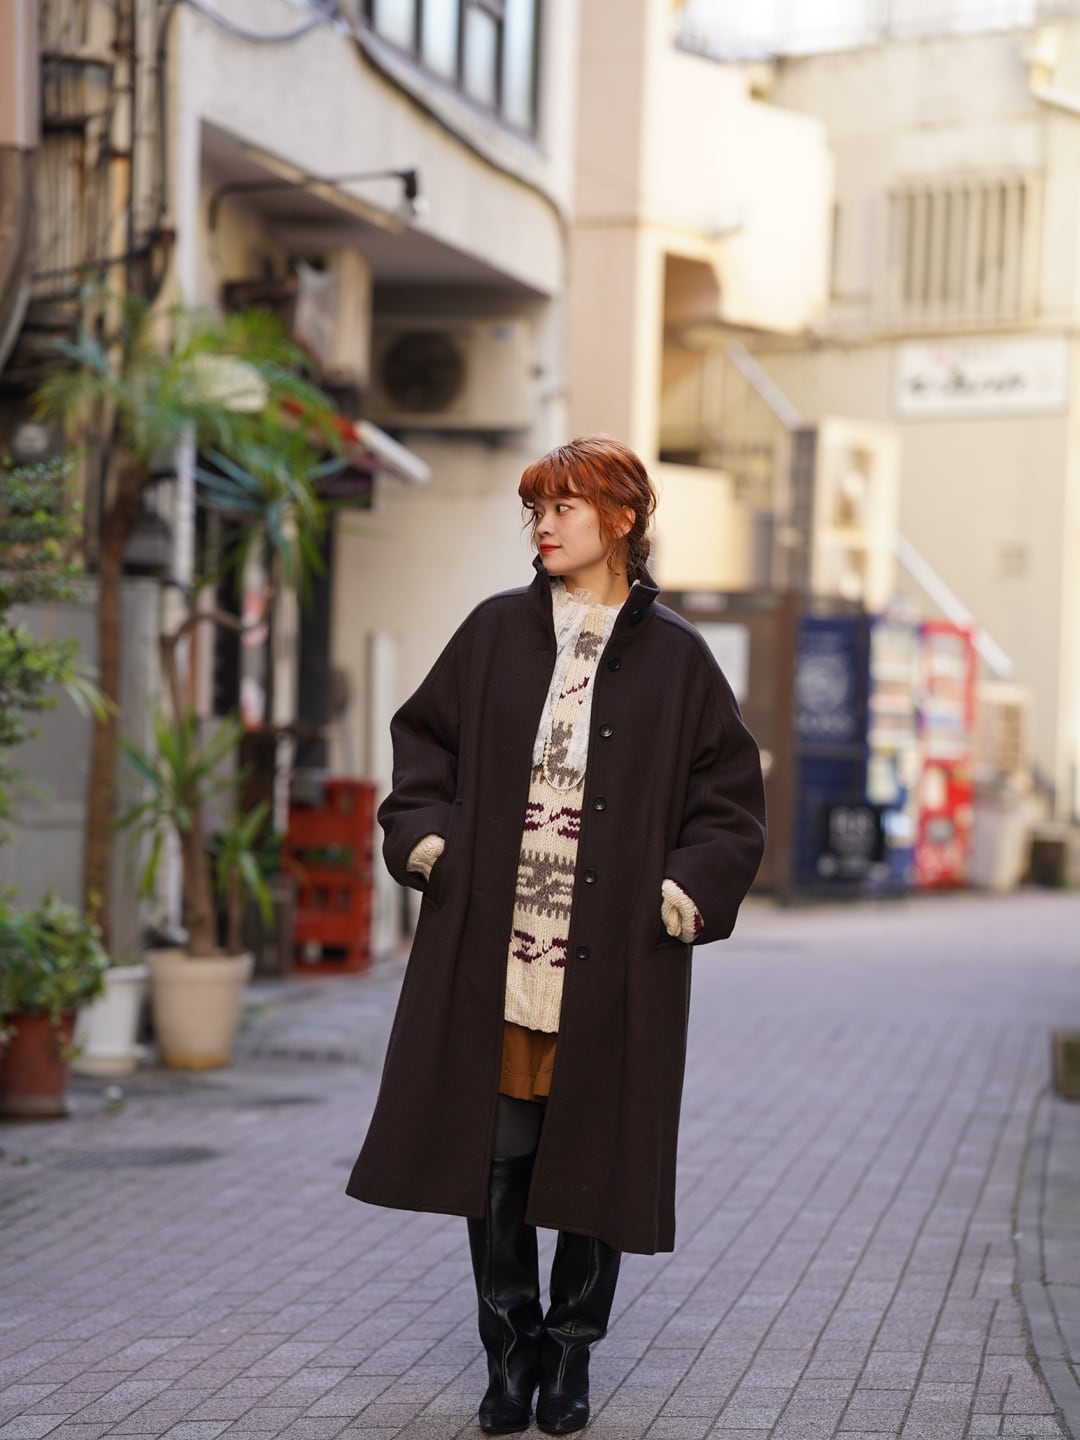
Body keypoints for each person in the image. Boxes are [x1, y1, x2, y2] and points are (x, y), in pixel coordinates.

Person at [347, 436, 767, 1435]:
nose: (542, 525)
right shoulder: (494, 631)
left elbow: (729, 797)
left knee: (596, 1153)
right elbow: (424, 741)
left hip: (614, 954)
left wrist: (687, 885)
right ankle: (510, 1348)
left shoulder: (678, 659)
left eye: (563, 507)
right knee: (493, 1153)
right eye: (535, 509)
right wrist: (428, 839)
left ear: (621, 518)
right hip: (494, 946)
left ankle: (572, 1350)